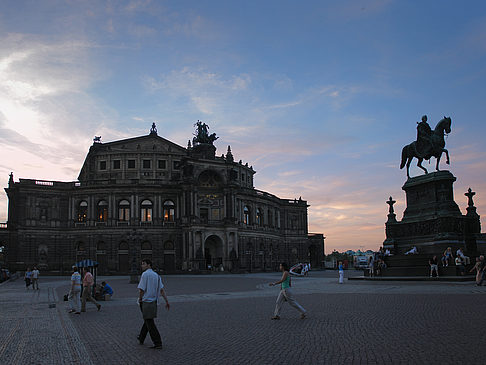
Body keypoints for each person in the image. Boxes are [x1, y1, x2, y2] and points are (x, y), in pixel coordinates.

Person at [137, 259, 170, 349]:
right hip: (154, 302)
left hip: (146, 301)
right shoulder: (157, 276)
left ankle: (157, 342)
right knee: (147, 319)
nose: (142, 266)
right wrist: (166, 301)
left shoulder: (145, 274)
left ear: (149, 265)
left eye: (143, 264)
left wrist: (140, 299)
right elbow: (162, 290)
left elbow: (141, 289)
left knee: (149, 322)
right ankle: (141, 338)